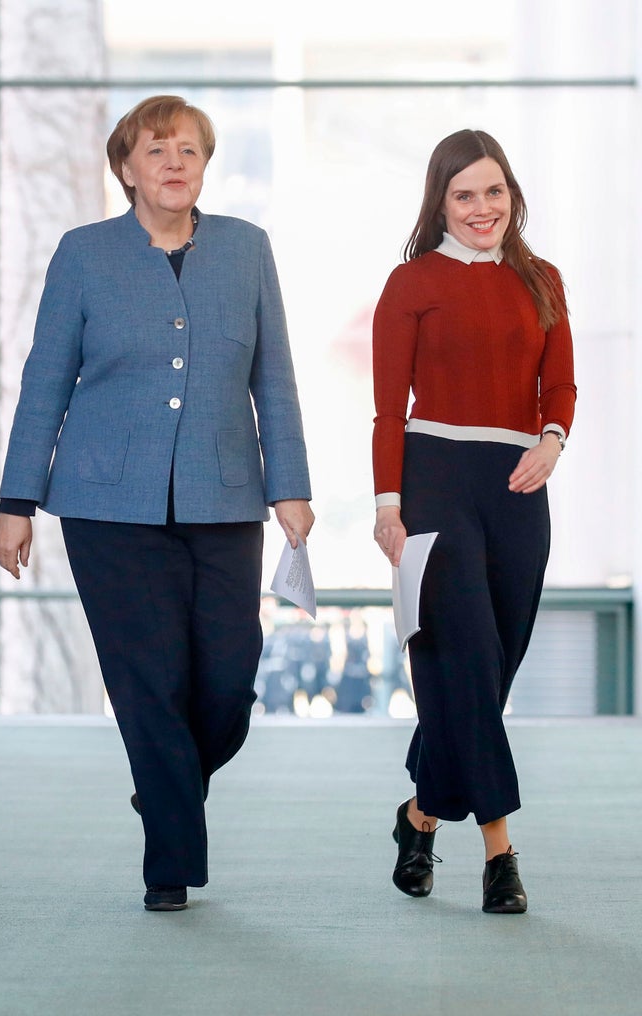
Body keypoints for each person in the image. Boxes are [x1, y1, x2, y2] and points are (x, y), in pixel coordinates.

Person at [0, 95, 314, 912]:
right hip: (107, 504)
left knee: (228, 685)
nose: (175, 163)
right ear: (127, 168)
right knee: (148, 682)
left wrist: (291, 487)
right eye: (157, 149)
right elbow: (45, 380)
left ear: (205, 165)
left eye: (190, 150)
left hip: (226, 497)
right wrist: (16, 498)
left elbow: (273, 375)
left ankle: (165, 791)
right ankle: (169, 862)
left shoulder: (247, 250)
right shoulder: (84, 254)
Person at [372, 129, 575, 914]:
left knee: (491, 668)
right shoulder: (410, 283)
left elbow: (559, 387)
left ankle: (421, 815)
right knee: (463, 655)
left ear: (511, 195)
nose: (483, 208)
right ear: (441, 203)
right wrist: (388, 505)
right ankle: (501, 853)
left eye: (494, 191)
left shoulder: (544, 279)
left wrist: (552, 443)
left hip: (520, 483)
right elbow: (391, 408)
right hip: (435, 479)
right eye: (465, 195)